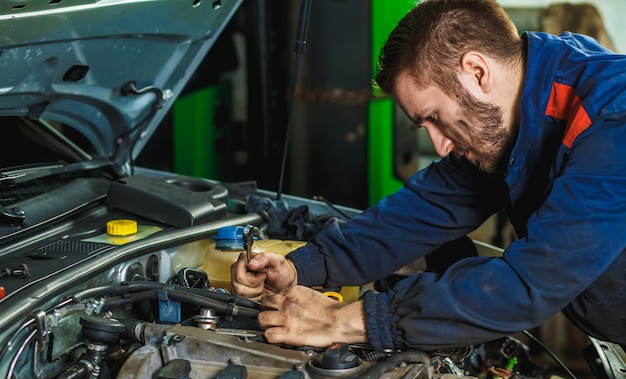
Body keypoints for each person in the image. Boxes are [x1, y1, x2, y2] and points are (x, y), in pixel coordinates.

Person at [231, 0, 626, 352]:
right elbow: (420, 211)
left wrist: (343, 321)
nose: (440, 146)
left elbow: (529, 283)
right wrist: (301, 267)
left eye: (434, 117)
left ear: (476, 71)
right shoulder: (519, 113)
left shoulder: (612, 121)